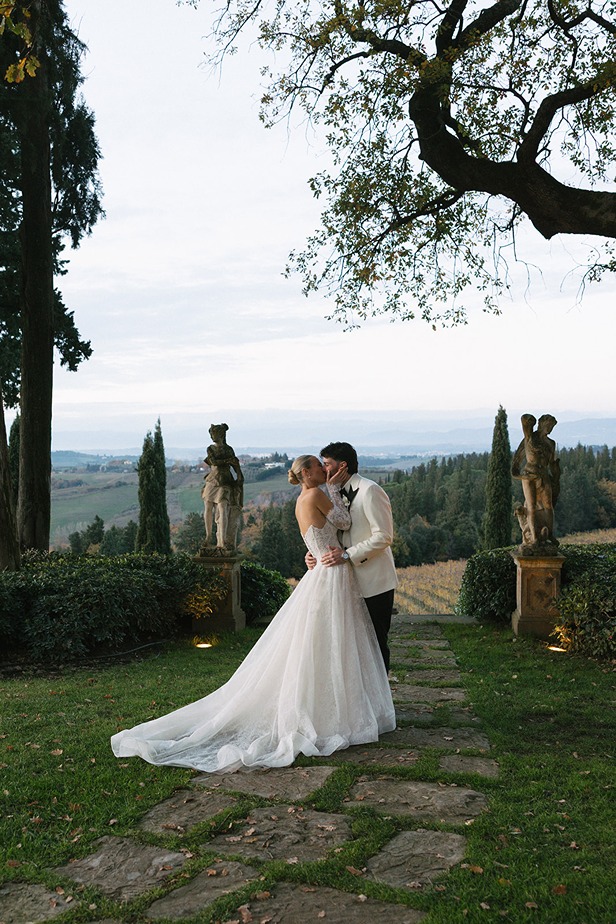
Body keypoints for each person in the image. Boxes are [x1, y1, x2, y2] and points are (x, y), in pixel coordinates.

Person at [111, 454, 395, 773]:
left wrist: (317, 548)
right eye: (318, 465)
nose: (323, 469)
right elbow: (343, 523)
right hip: (332, 573)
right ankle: (335, 714)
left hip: (321, 570)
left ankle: (334, 708)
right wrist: (332, 492)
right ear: (306, 473)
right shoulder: (317, 493)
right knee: (335, 639)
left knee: (326, 640)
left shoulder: (302, 498)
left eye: (324, 465)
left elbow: (317, 536)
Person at [306, 442, 398, 672]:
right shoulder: (333, 492)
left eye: (326, 464)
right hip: (345, 582)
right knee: (354, 646)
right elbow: (330, 531)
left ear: (342, 465)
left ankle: (380, 702)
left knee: (376, 644)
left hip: (373, 581)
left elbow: (384, 536)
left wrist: (347, 554)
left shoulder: (370, 490)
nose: (324, 469)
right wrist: (314, 553)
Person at [511, 413, 560, 547]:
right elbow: (516, 463)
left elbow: (550, 463)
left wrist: (556, 473)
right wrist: (522, 476)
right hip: (529, 475)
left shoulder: (551, 443)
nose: (550, 429)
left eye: (552, 426)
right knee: (531, 506)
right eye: (548, 425)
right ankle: (534, 538)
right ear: (541, 424)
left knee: (548, 506)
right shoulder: (530, 438)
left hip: (544, 476)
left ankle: (549, 534)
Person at [201, 423, 244, 551]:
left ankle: (222, 540)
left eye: (214, 434)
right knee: (208, 507)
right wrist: (227, 461)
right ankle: (208, 537)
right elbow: (214, 462)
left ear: (221, 434)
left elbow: (236, 465)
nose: (212, 436)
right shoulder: (210, 449)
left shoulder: (229, 449)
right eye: (211, 434)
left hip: (225, 481)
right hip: (212, 480)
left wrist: (239, 476)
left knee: (223, 508)